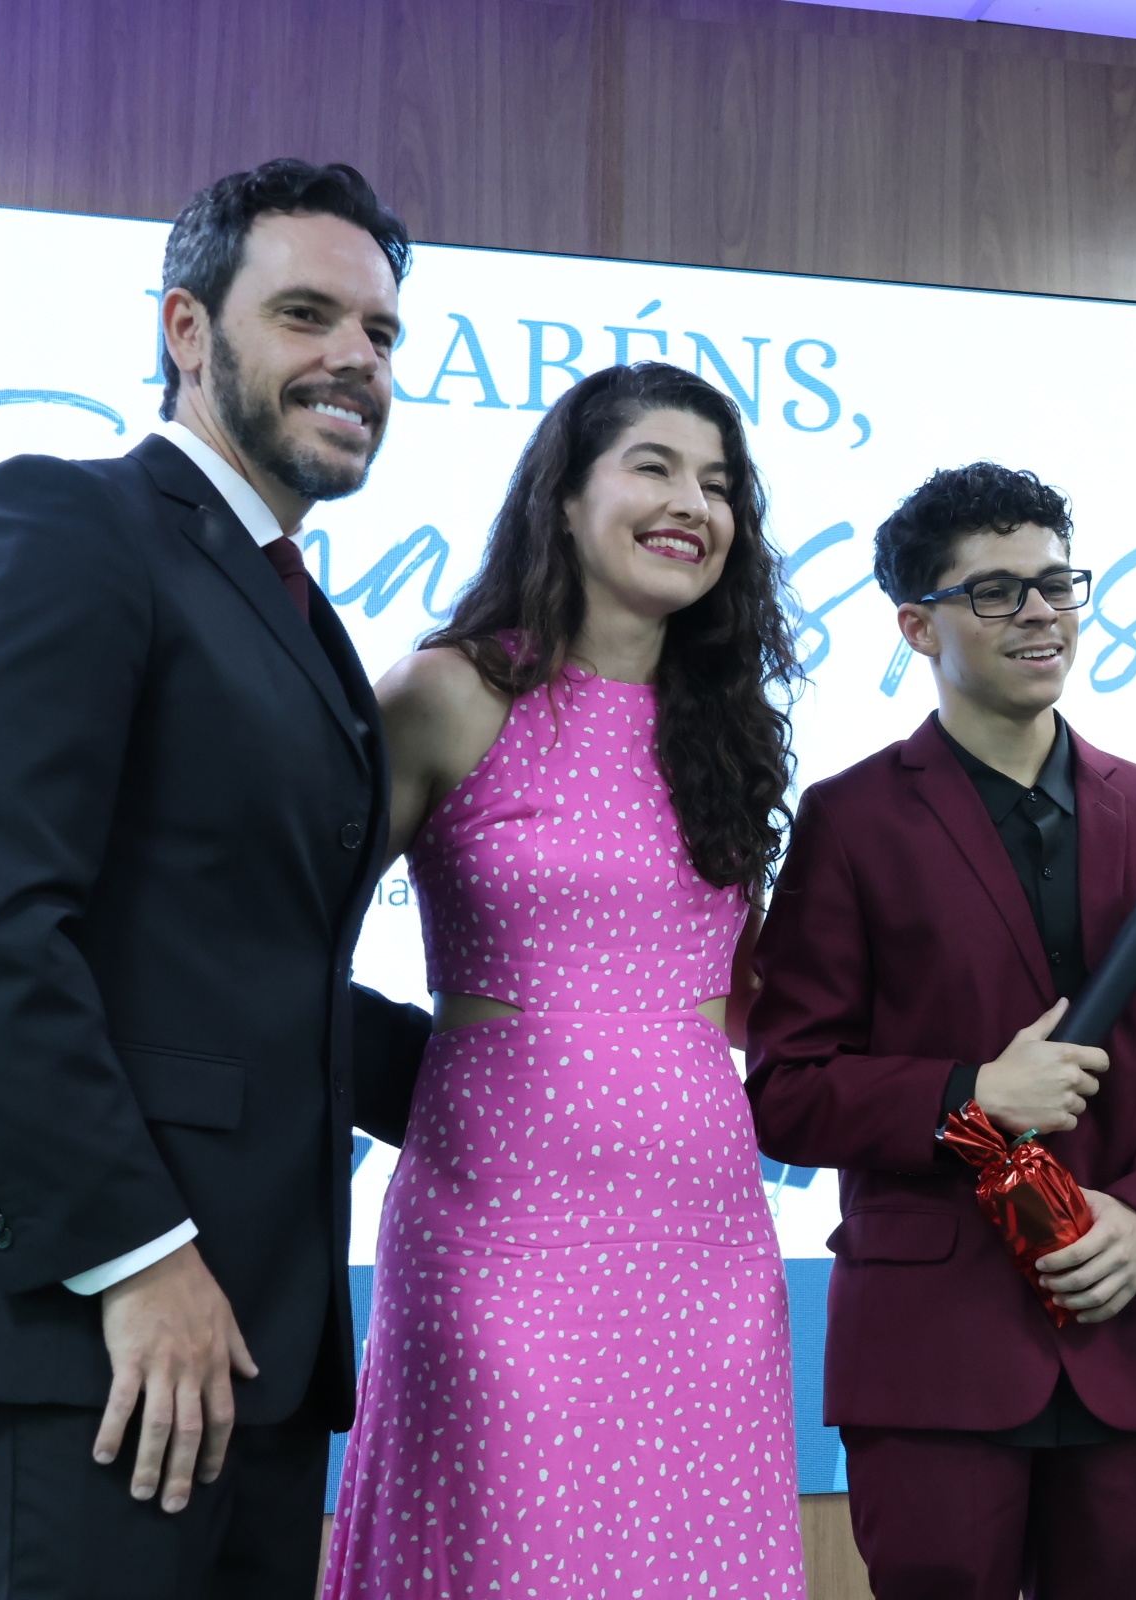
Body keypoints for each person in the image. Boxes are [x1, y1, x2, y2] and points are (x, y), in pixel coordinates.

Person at [0, 159, 435, 1599]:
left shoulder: (290, 607)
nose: (356, 359)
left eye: (380, 333)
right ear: (187, 328)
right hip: (97, 1326)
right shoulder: (64, 525)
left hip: (257, 1336)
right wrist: (133, 1255)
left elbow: (249, 965)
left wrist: (547, 1076)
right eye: (306, 314)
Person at [322, 361, 807, 1599]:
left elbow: (746, 992)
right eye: (655, 466)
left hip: (706, 1233)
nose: (692, 502)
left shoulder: (731, 728)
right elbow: (282, 942)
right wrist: (424, 1082)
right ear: (566, 497)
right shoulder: (449, 691)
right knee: (509, 1551)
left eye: (719, 483)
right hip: (497, 1224)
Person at [746, 462, 1136, 1600]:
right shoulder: (849, 820)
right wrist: (972, 1092)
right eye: (995, 591)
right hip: (933, 1348)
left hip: (1124, 1324)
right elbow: (787, 1088)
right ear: (916, 626)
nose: (1038, 612)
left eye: (1056, 583)